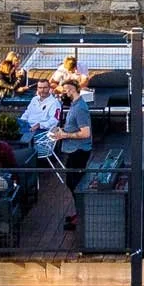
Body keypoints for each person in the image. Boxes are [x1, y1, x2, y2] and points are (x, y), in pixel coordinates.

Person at [48, 77, 93, 230]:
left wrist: (65, 135)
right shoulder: (74, 105)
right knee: (71, 182)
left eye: (66, 91)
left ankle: (82, 215)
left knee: (76, 183)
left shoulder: (80, 108)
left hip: (79, 150)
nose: (64, 94)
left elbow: (85, 133)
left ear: (72, 90)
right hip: (73, 149)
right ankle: (79, 212)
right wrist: (62, 132)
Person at [19, 77, 60, 154]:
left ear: (49, 88)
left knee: (23, 140)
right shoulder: (34, 99)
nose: (42, 90)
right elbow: (27, 113)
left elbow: (54, 121)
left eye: (45, 88)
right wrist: (22, 121)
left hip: (42, 132)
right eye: (40, 88)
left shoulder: (54, 103)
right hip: (28, 128)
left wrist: (39, 125)